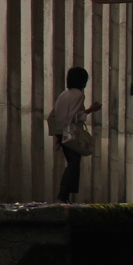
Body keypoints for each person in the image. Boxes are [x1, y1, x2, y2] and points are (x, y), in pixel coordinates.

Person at [47, 67, 102, 203]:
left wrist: (56, 134)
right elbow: (73, 117)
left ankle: (65, 196)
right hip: (70, 134)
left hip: (61, 132)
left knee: (73, 163)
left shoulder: (63, 94)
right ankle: (62, 195)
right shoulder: (78, 95)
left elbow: (51, 117)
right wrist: (90, 110)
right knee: (73, 163)